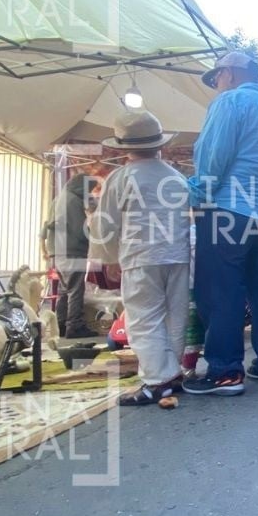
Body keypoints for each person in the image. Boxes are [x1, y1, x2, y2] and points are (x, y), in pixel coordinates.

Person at [184, 51, 258, 396]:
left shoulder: (229, 102)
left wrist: (196, 195)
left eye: (216, 77)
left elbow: (212, 157)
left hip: (228, 211)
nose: (216, 84)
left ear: (230, 73)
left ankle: (224, 371)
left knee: (221, 290)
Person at [92, 110, 190, 406]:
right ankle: (173, 372)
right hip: (178, 254)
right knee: (175, 315)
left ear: (124, 147)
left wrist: (109, 258)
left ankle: (157, 380)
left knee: (143, 319)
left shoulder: (120, 178)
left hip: (141, 255)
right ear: (159, 144)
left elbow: (105, 223)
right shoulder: (176, 177)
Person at [46, 166, 98, 339]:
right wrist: (95, 241)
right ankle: (75, 326)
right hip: (72, 250)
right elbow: (79, 230)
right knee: (76, 289)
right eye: (88, 190)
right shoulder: (73, 201)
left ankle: (60, 325)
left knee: (64, 290)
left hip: (56, 251)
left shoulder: (59, 198)